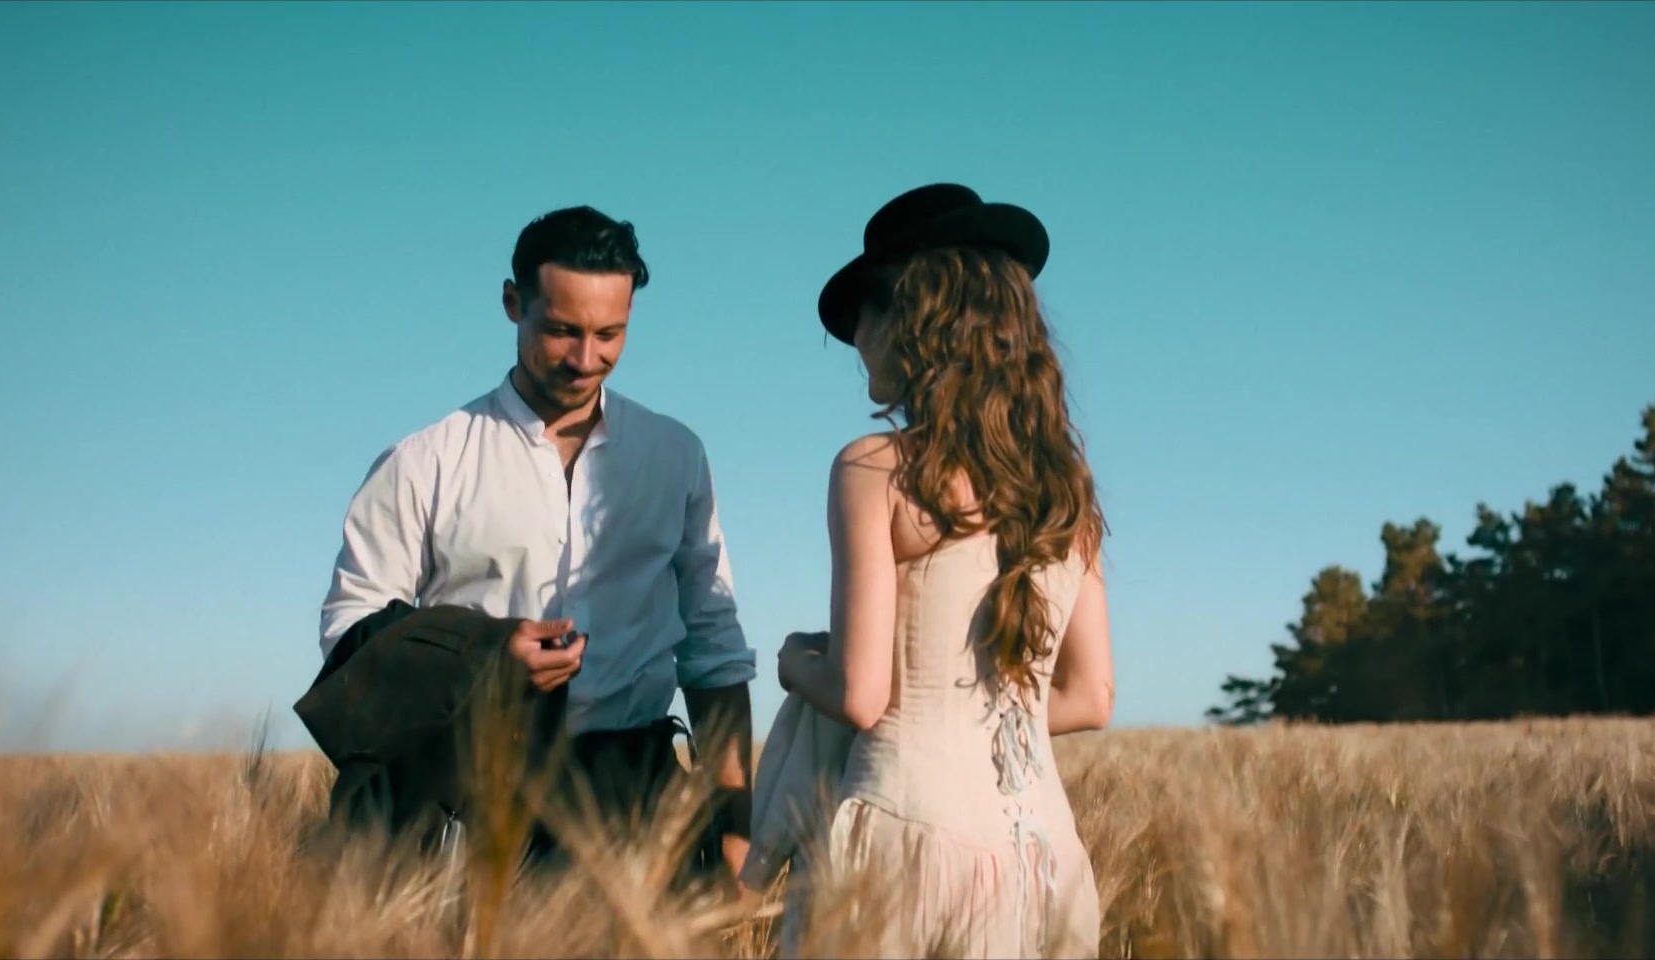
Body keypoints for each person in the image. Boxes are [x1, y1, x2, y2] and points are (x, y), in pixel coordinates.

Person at [296, 205, 758, 892]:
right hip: (473, 805)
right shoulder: (425, 461)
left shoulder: (676, 455)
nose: (585, 359)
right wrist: (483, 654)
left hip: (636, 805)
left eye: (610, 334)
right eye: (562, 331)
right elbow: (348, 630)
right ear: (513, 302)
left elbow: (712, 647)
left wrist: (736, 832)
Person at [771, 183, 1115, 957]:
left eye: (863, 311)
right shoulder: (1066, 487)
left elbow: (860, 695)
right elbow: (1091, 696)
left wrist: (793, 663)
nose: (856, 337)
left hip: (910, 848)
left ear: (915, 316)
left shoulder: (875, 469)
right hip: (1049, 865)